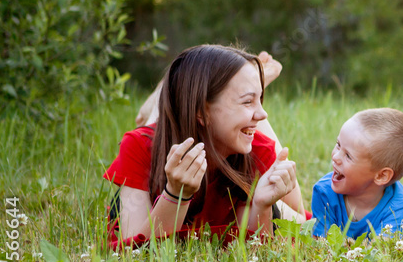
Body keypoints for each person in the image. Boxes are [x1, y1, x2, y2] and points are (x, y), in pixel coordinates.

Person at [103, 45, 301, 248]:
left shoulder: (256, 149)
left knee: (296, 218)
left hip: (209, 123)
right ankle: (163, 99)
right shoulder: (139, 146)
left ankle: (179, 92)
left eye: (259, 99)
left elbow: (257, 249)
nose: (263, 114)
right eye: (247, 101)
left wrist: (262, 205)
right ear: (202, 111)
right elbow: (133, 253)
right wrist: (175, 194)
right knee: (160, 137)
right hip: (165, 157)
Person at [311, 108, 403, 240]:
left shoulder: (397, 208)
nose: (335, 157)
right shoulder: (324, 193)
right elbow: (319, 247)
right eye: (338, 145)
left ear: (381, 176)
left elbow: (380, 254)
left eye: (348, 156)